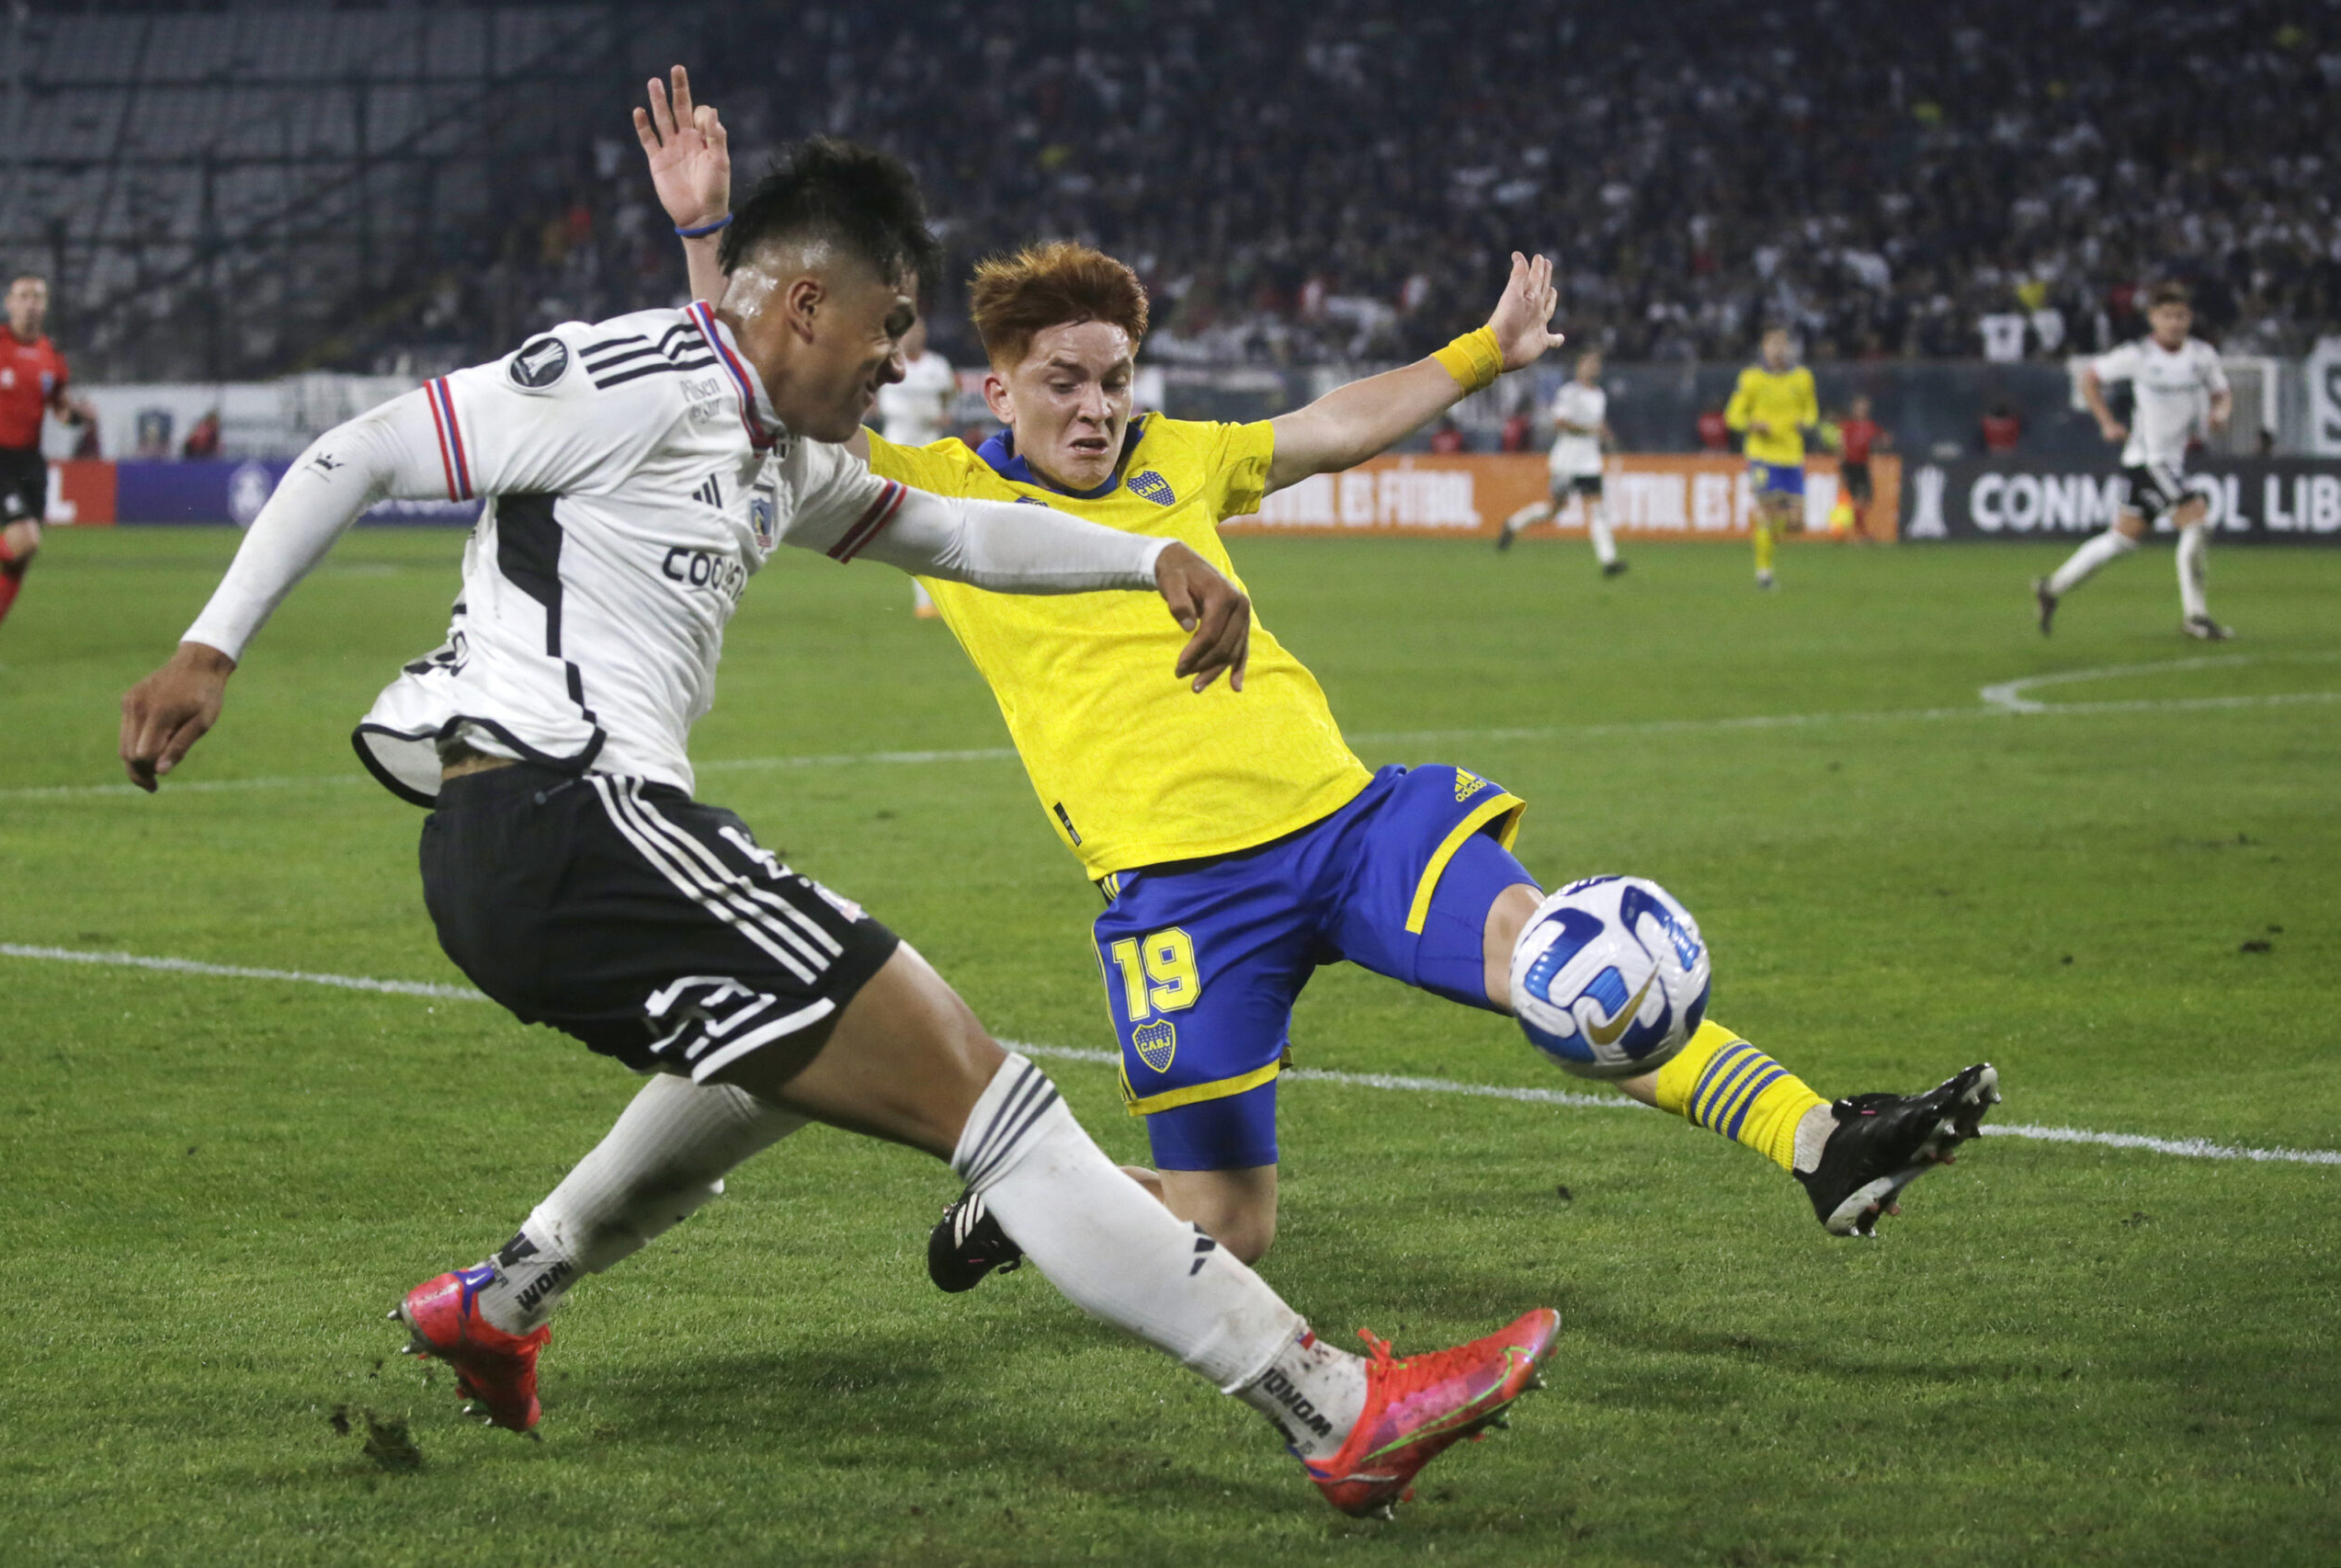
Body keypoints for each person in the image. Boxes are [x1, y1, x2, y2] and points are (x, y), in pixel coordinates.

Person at [118, 129, 1555, 1522]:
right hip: (567, 811)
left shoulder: (782, 449)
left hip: (539, 856)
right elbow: (360, 449)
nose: (901, 360)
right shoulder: (631, 371)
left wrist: (1154, 555)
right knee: (992, 1097)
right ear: (810, 302)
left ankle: (503, 1299)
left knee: (773, 1072)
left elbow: (967, 535)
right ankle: (1334, 1410)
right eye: (891, 325)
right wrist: (209, 648)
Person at [651, 74, 1998, 1285]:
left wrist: (1482, 352)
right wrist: (709, 241)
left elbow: (1338, 425)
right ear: (996, 391)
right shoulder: (935, 491)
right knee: (1228, 1225)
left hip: (1347, 822)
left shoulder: (1183, 455)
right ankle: (1026, 1192)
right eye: (1061, 382)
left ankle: (1821, 1137)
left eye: (1114, 378)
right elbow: (748, 393)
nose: (1094, 407)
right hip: (1179, 892)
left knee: (1552, 954)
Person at [2036, 282, 2233, 641]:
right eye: (2167, 316)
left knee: (2121, 540)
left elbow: (2222, 393)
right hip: (2149, 460)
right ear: (2153, 319)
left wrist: (2220, 413)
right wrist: (2107, 422)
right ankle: (2196, 617)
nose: (2175, 323)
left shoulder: (2202, 355)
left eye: (2181, 316)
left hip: (2168, 461)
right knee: (2197, 520)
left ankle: (2052, 588)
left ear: (2189, 318)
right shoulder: (2138, 355)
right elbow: (2089, 378)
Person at [0, 274, 96, 667]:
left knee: (19, 559)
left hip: (30, 461)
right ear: (9, 303)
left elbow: (61, 411)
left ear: (45, 305)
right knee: (25, 542)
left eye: (39, 296)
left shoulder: (52, 354)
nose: (32, 303)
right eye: (24, 296)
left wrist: (79, 417)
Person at [1496, 351, 1620, 574]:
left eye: (1596, 363)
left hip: (1590, 462)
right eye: (1589, 362)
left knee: (1598, 509)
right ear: (1579, 366)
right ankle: (1513, 524)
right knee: (1554, 509)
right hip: (1567, 461)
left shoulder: (1599, 395)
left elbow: (1599, 424)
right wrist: (1591, 430)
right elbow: (1560, 423)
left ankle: (1608, 561)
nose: (1593, 367)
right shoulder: (1569, 393)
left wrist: (1606, 436)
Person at [875, 314, 955, 619]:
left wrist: (945, 413)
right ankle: (926, 597)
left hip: (929, 448)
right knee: (916, 524)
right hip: (897, 448)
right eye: (908, 332)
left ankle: (927, 600)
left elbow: (948, 393)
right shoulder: (889, 363)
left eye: (918, 331)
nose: (913, 337)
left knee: (928, 523)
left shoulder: (937, 365)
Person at [1724, 328, 1816, 590]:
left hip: (1792, 455)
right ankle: (1764, 573)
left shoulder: (1803, 378)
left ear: (1790, 348)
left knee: (1796, 523)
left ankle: (1762, 528)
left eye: (1782, 344)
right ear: (1763, 348)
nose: (1777, 350)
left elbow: (1811, 410)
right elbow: (1732, 416)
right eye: (1772, 344)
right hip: (1762, 455)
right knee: (1770, 511)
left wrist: (1805, 422)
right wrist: (1753, 425)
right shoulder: (1751, 378)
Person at [1835, 394, 1890, 541]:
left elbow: (1883, 439)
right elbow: (1840, 443)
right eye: (1859, 406)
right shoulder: (1847, 426)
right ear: (1854, 408)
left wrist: (1882, 443)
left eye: (1864, 406)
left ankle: (1855, 532)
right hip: (1850, 465)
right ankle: (1852, 533)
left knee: (1865, 500)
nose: (1861, 409)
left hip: (1863, 465)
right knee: (1853, 499)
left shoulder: (1870, 426)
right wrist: (1840, 464)